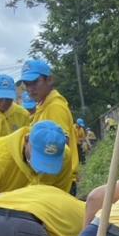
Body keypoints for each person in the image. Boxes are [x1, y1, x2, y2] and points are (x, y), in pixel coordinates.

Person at [0, 119, 76, 208]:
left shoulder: (64, 157)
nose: (41, 171)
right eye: (39, 159)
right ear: (27, 140)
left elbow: (59, 197)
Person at [20, 58, 79, 190]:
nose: (30, 89)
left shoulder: (55, 107)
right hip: (49, 180)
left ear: (50, 80)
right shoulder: (43, 107)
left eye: (35, 82)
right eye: (26, 84)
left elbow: (59, 149)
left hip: (56, 182)